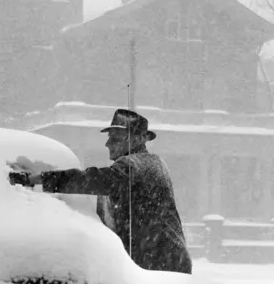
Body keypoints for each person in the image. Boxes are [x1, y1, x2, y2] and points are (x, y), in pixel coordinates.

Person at [17, 109, 192, 274]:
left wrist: (39, 179)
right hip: (166, 260)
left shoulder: (134, 166)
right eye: (110, 138)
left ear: (139, 138)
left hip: (156, 264)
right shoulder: (153, 163)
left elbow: (94, 180)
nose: (107, 144)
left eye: (116, 139)